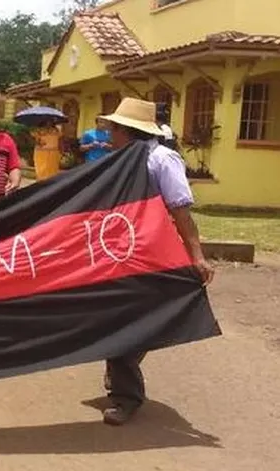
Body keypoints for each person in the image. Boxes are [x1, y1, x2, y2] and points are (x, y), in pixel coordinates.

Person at [99, 97, 214, 426]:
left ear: (128, 130)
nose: (109, 134)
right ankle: (120, 364)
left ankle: (126, 395)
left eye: (113, 128)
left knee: (127, 326)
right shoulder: (118, 160)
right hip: (120, 254)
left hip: (154, 256)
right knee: (113, 317)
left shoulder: (162, 160)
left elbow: (181, 212)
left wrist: (197, 256)